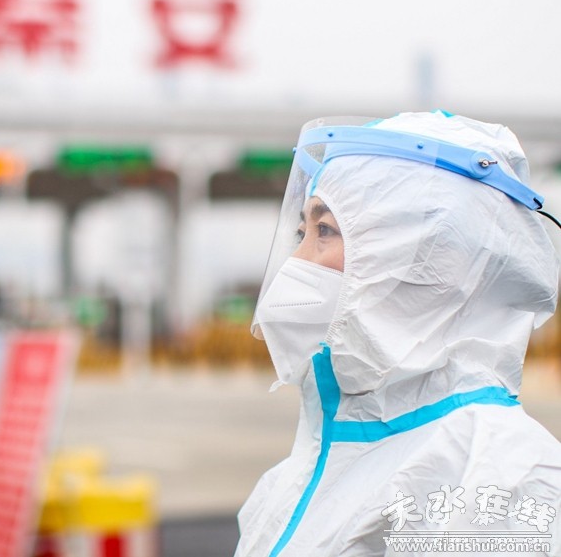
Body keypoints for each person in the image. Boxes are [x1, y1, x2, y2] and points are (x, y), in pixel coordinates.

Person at [236, 111, 561, 556]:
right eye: (301, 231)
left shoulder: (498, 474)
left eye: (325, 230)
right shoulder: (304, 469)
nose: (298, 259)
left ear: (424, 259)